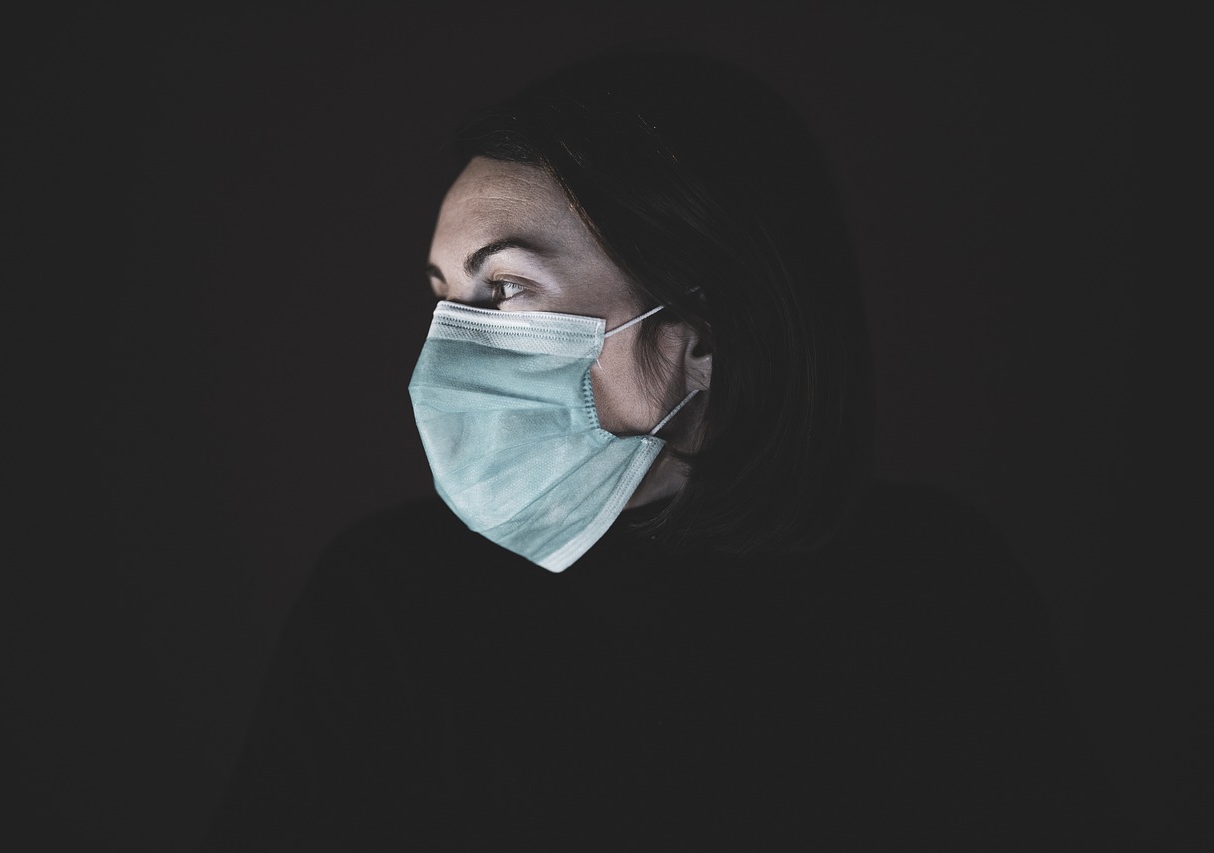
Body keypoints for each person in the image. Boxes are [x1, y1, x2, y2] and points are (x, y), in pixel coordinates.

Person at [202, 48, 1134, 851]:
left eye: (504, 290)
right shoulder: (386, 598)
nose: (448, 347)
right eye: (445, 296)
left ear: (701, 334)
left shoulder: (935, 591)